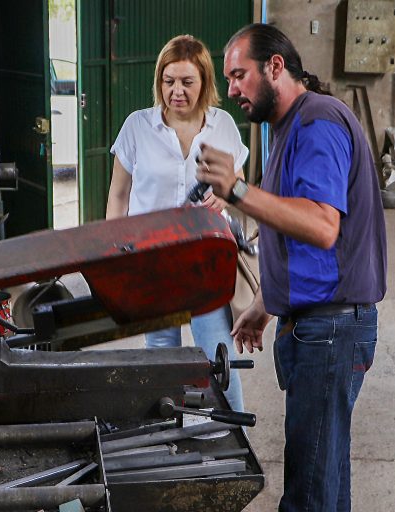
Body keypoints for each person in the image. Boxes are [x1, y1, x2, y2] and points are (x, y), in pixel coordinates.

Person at [196, 24, 387, 511]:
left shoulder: (316, 124)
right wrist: (265, 303)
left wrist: (237, 190)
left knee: (309, 490)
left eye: (240, 75)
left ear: (275, 67)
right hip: (321, 323)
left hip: (331, 330)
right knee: (324, 478)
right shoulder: (288, 127)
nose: (233, 88)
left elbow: (322, 226)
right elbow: (301, 239)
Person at [106, 34, 248, 412]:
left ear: (204, 83)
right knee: (160, 355)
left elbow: (240, 184)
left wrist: (229, 193)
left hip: (206, 259)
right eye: (169, 81)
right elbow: (119, 196)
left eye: (187, 82)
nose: (177, 91)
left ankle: (231, 432)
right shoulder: (138, 126)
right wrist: (113, 257)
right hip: (152, 260)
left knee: (219, 354)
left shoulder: (224, 126)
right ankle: (164, 434)